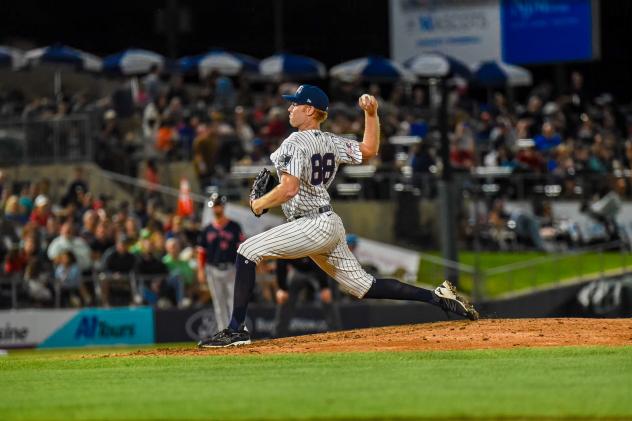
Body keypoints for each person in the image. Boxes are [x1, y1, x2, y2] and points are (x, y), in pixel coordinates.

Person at [198, 85, 478, 348]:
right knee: (363, 286)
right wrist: (371, 114)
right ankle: (437, 296)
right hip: (328, 222)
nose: (289, 109)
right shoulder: (331, 141)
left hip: (311, 223)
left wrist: (258, 204)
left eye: (295, 104)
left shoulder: (294, 142)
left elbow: (289, 188)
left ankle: (236, 329)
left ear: (309, 110)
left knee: (246, 251)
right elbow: (369, 150)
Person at [197, 193, 245, 331]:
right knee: (219, 303)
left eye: (218, 205)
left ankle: (237, 331)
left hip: (231, 268)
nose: (216, 209)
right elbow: (201, 252)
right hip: (212, 269)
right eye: (214, 206)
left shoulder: (234, 226)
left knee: (234, 302)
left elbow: (241, 249)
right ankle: (223, 331)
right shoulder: (207, 229)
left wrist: (242, 268)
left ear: (223, 206)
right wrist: (200, 270)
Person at [273, 257, 342, 338]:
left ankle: (337, 334)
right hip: (297, 271)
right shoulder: (286, 245)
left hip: (318, 269)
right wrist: (282, 288)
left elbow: (320, 260)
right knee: (284, 299)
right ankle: (277, 336)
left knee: (327, 298)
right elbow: (281, 261)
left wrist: (324, 286)